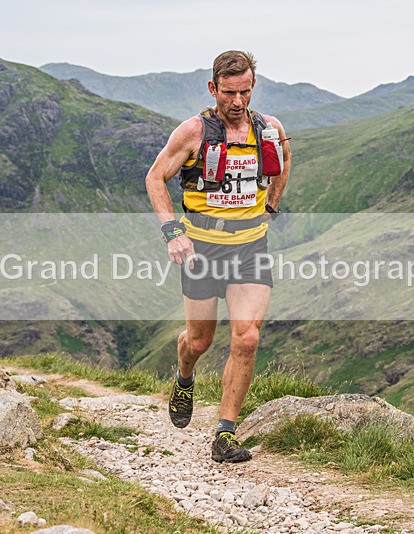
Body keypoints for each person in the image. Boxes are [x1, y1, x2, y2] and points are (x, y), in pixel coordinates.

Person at [145, 50, 291, 463]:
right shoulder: (193, 132)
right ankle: (184, 375)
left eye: (245, 91)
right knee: (200, 340)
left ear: (253, 87)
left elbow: (283, 163)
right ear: (213, 89)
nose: (238, 102)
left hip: (250, 248)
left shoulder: (269, 129)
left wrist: (272, 206)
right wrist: (172, 231)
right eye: (229, 92)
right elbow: (155, 177)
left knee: (247, 337)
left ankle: (225, 433)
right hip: (203, 250)